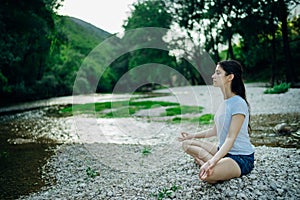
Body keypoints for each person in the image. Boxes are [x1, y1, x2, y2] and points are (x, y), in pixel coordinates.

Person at [178, 60, 255, 184]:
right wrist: (192, 135)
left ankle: (208, 164)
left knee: (208, 176)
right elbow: (215, 130)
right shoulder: (224, 103)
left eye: (218, 73)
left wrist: (211, 161)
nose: (213, 76)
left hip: (240, 158)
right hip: (223, 151)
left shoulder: (239, 103)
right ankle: (212, 164)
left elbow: (231, 138)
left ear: (230, 77)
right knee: (186, 144)